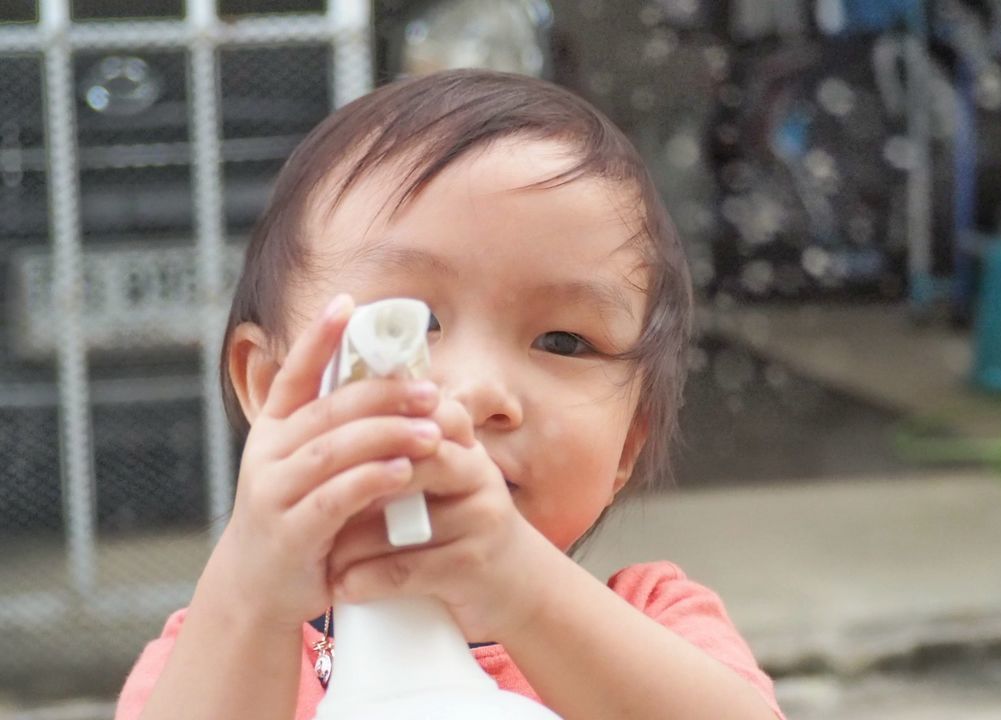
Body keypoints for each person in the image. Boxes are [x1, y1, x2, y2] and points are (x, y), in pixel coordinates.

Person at [115, 69, 783, 720]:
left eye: (562, 342)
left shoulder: (658, 628)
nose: (478, 391)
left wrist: (521, 591)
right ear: (270, 388)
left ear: (627, 444)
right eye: (408, 326)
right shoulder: (225, 642)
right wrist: (251, 592)